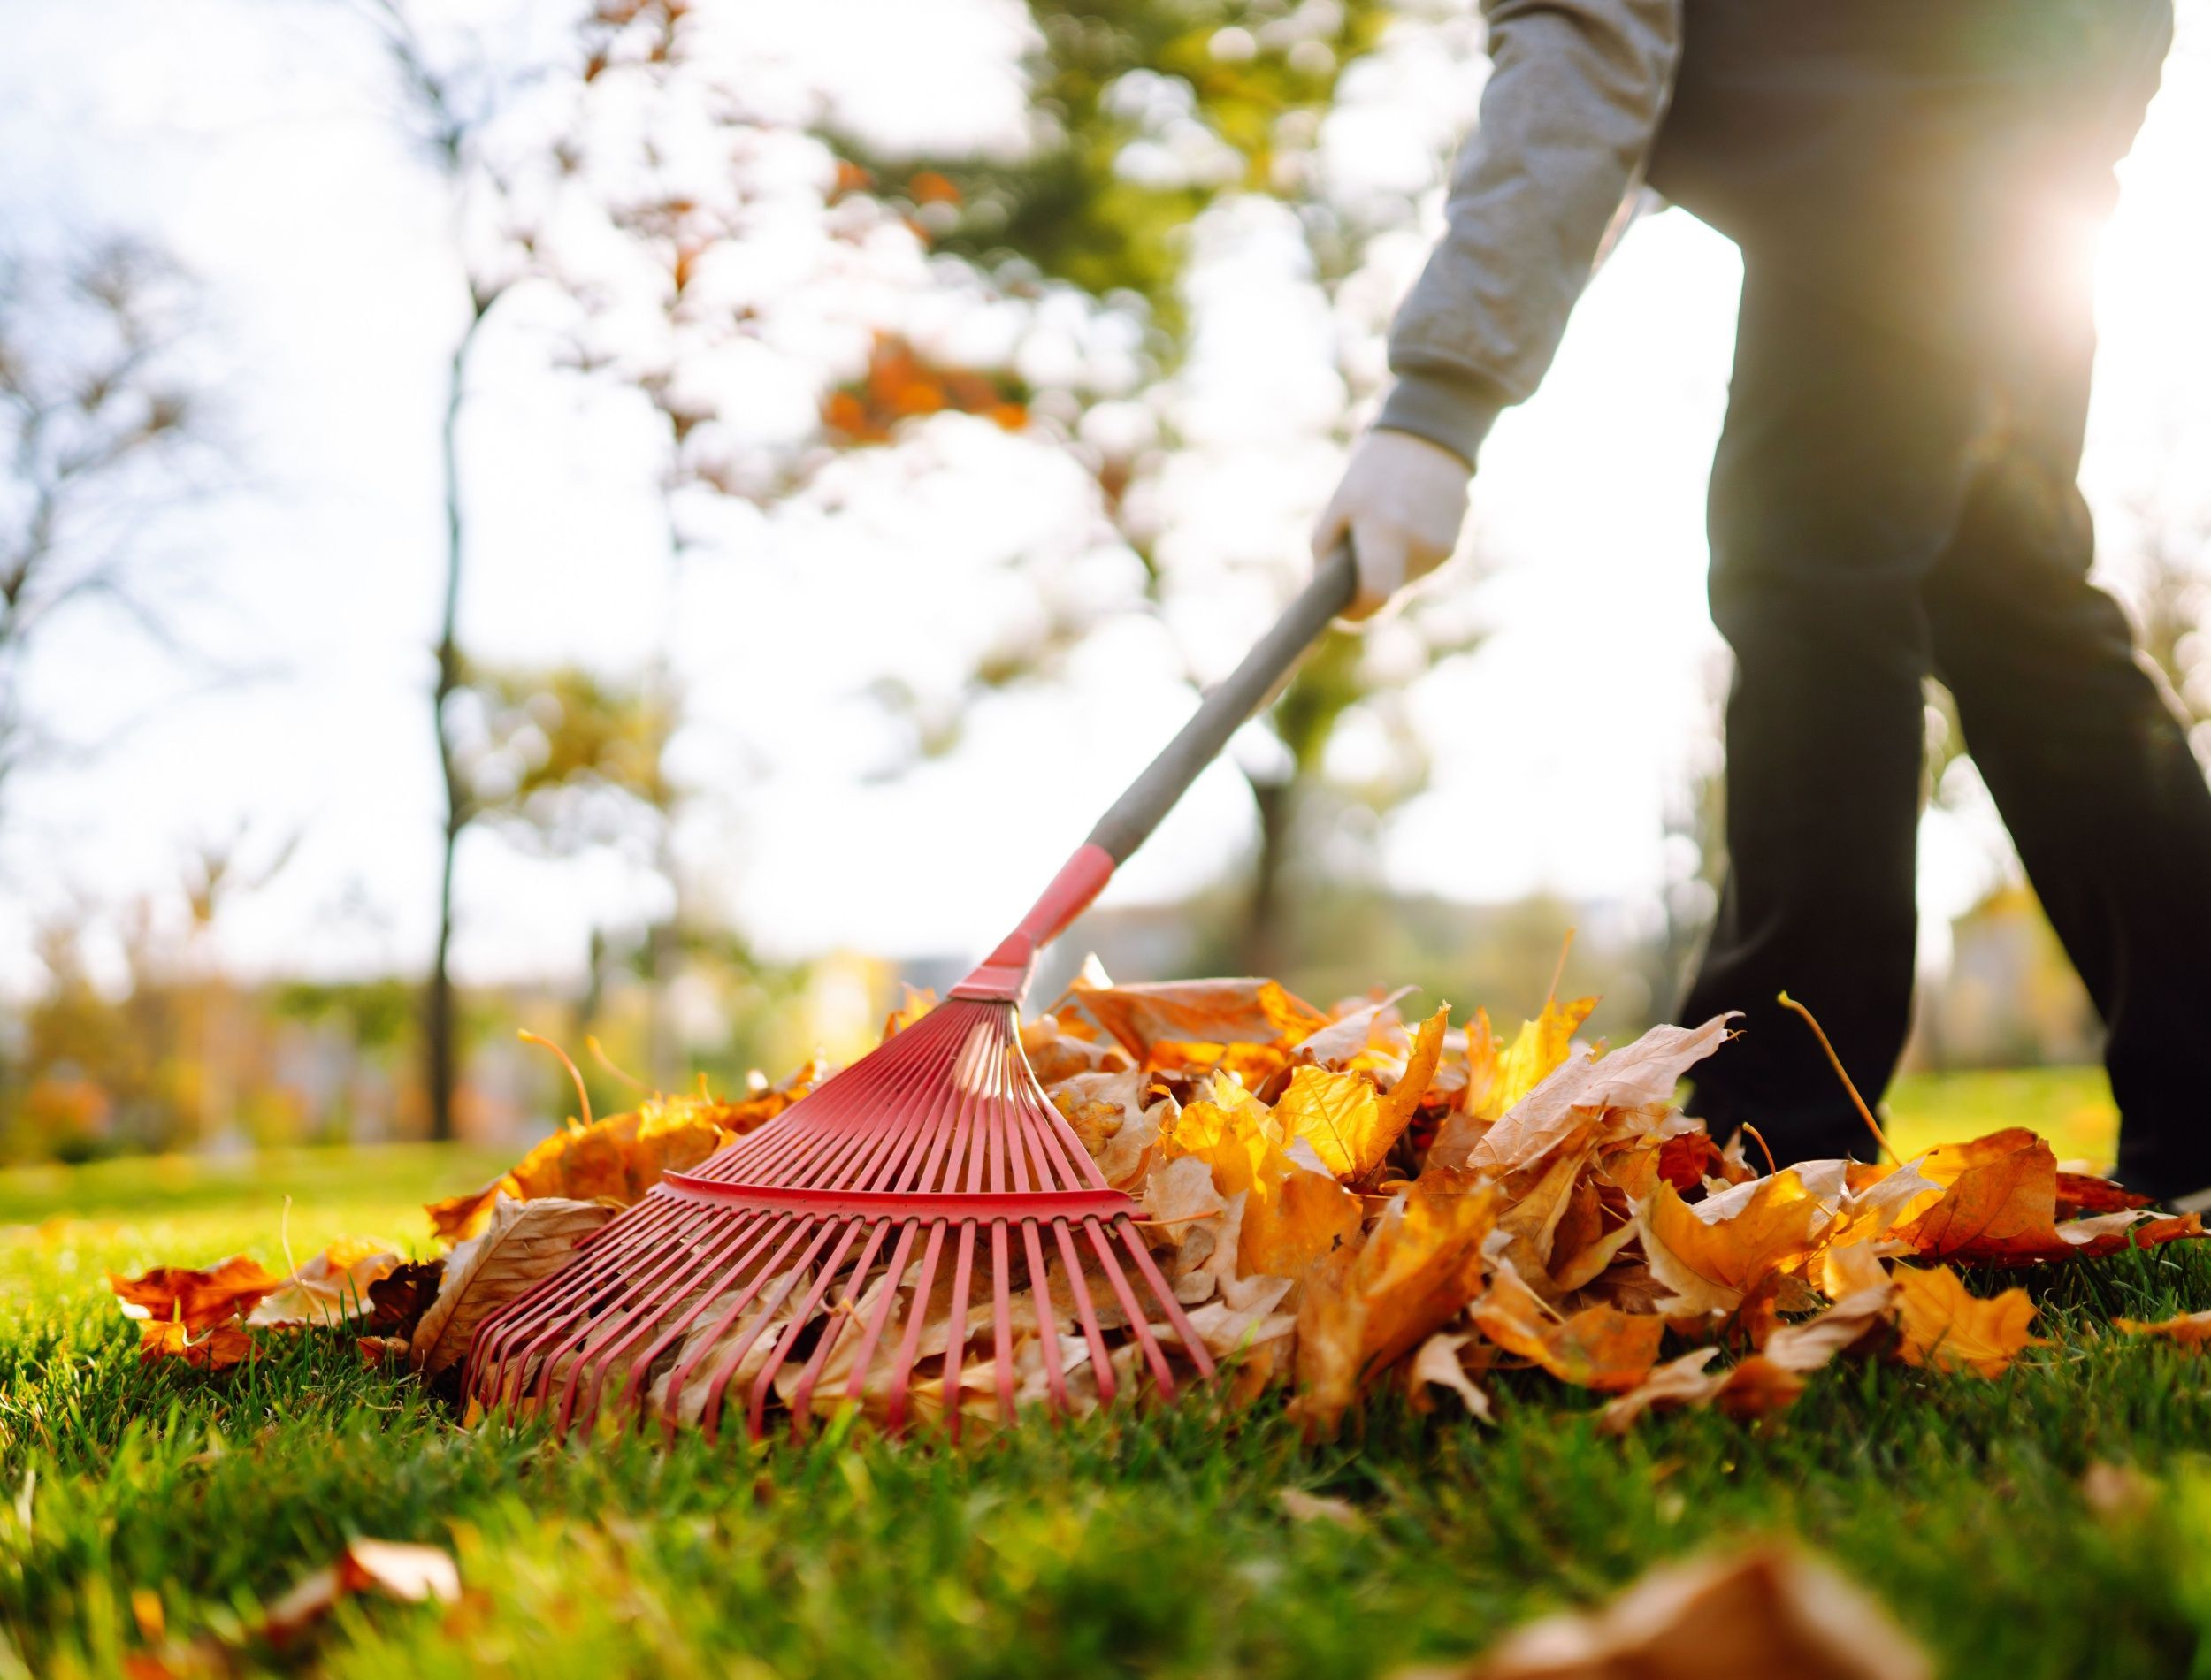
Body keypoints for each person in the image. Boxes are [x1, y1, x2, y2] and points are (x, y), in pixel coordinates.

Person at [1312, 0, 2211, 1205]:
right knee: (2017, 613)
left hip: (1899, 166)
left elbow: (1587, 42)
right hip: (2015, 190)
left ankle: (1777, 1139)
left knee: (1813, 590)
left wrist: (1438, 405)